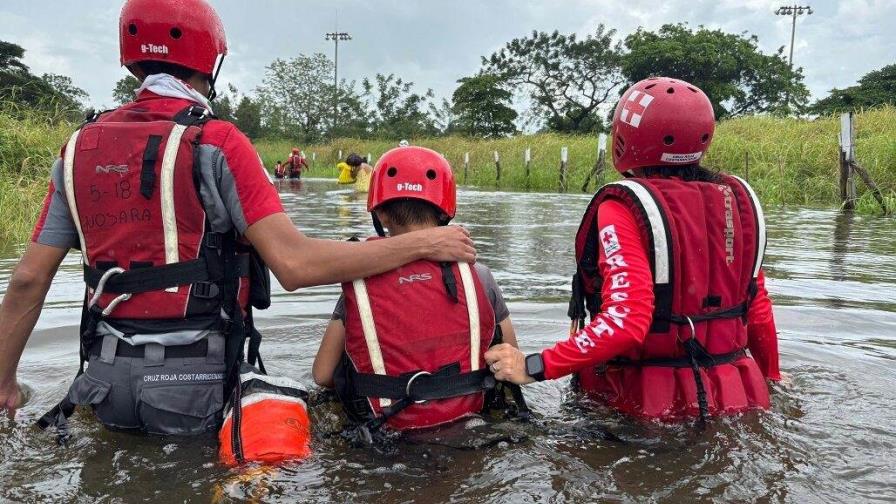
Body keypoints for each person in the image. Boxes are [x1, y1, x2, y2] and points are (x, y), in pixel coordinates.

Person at [0, 0, 475, 438]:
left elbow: (26, 280)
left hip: (101, 385)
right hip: (196, 387)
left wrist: (6, 384)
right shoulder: (218, 142)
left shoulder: (76, 149)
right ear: (210, 60)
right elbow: (295, 266)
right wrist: (424, 244)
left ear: (131, 58)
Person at [485, 77, 781, 423]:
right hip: (740, 396)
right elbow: (757, 308)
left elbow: (627, 321)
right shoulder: (739, 201)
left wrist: (532, 366)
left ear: (625, 137)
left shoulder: (623, 207)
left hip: (645, 405)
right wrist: (772, 377)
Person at [312, 146, 518, 432]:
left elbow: (322, 374)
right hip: (469, 426)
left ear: (381, 214)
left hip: (387, 435)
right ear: (446, 210)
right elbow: (510, 356)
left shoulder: (361, 282)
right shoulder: (479, 276)